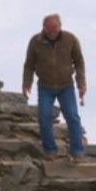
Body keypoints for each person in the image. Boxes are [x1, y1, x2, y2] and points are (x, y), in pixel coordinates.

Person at [23, 13, 87, 161]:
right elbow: (29, 65)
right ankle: (50, 151)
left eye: (55, 28)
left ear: (60, 26)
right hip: (45, 86)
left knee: (72, 117)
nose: (52, 32)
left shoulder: (71, 40)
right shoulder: (35, 42)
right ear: (43, 28)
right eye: (49, 29)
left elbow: (79, 63)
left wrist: (81, 84)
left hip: (66, 86)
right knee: (44, 117)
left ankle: (77, 152)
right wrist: (27, 83)